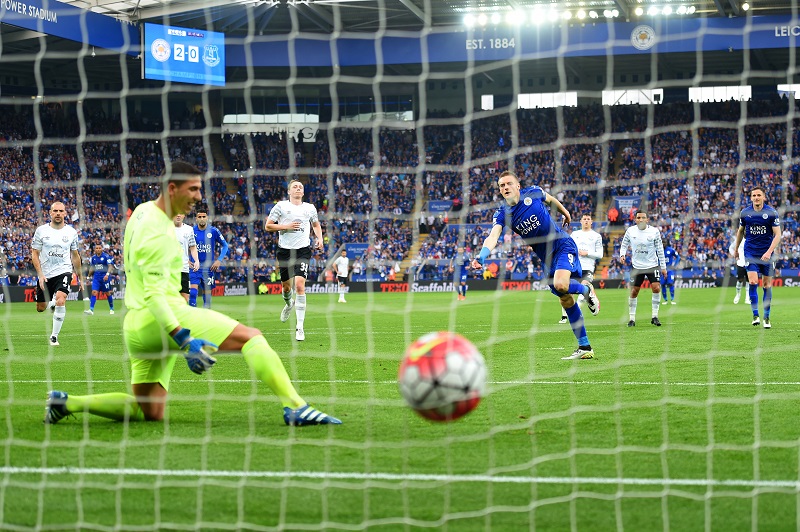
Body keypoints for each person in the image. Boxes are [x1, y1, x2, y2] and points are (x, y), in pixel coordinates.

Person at [44, 161, 341, 427]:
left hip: (136, 327)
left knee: (149, 411)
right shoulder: (159, 232)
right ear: (172, 188)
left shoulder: (141, 213)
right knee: (252, 337)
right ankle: (296, 406)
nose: (199, 196)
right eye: (194, 189)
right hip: (162, 318)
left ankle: (66, 403)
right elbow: (155, 294)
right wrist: (183, 338)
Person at [472, 171, 600, 360]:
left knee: (561, 285)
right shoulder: (502, 213)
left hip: (562, 245)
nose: (505, 187)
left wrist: (565, 213)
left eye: (508, 184)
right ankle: (585, 347)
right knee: (564, 299)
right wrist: (482, 256)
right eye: (501, 185)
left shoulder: (532, 192)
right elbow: (493, 236)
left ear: (518, 186)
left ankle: (585, 289)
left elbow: (551, 200)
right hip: (547, 258)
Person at [265, 179, 324, 341]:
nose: (298, 188)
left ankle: (300, 327)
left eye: (301, 187)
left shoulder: (310, 208)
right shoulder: (281, 207)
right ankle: (288, 303)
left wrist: (319, 238)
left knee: (299, 285)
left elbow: (316, 225)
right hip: (284, 251)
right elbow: (268, 226)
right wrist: (287, 226)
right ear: (289, 192)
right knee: (286, 288)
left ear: (303, 192)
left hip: (303, 251)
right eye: (295, 187)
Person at [31, 202, 82, 346]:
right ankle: (51, 303)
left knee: (61, 299)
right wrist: (40, 275)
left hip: (64, 271)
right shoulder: (41, 231)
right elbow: (35, 253)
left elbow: (75, 255)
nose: (58, 213)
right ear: (50, 213)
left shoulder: (71, 232)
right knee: (40, 308)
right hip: (46, 274)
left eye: (61, 211)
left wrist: (80, 277)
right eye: (55, 211)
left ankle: (54, 336)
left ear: (65, 213)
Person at [733, 186, 781, 328]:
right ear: (751, 198)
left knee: (766, 285)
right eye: (754, 195)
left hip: (767, 254)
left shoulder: (771, 212)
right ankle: (755, 315)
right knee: (753, 282)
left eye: (759, 195)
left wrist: (769, 252)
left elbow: (778, 234)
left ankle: (767, 317)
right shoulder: (745, 213)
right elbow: (740, 232)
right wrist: (736, 249)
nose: (756, 198)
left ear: (764, 197)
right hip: (751, 253)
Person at [619, 210, 667, 327]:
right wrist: (622, 254)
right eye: (638, 217)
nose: (641, 220)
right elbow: (624, 243)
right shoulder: (631, 231)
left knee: (656, 288)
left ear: (647, 219)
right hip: (637, 266)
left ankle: (655, 316)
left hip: (652, 265)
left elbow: (660, 249)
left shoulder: (654, 231)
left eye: (643, 217)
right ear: (635, 219)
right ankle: (631, 319)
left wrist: (663, 267)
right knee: (634, 291)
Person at [560, 214, 603, 323]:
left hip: (588, 267)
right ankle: (565, 316)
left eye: (588, 219)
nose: (586, 221)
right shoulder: (575, 234)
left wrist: (587, 253)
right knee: (566, 289)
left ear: (592, 221)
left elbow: (600, 254)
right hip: (574, 266)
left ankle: (576, 313)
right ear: (581, 221)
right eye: (584, 219)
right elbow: (569, 247)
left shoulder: (596, 236)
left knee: (583, 286)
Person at [190, 205, 228, 308]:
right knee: (193, 294)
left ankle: (205, 320)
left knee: (207, 297)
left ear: (207, 218)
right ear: (196, 219)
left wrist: (219, 260)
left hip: (208, 268)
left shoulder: (214, 231)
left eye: (203, 216)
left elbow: (225, 245)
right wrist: (187, 260)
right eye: (199, 217)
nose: (202, 219)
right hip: (194, 267)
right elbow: (183, 247)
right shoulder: (190, 231)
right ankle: (192, 318)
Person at [84, 243, 116, 315]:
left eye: (99, 248)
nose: (98, 249)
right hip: (96, 278)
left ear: (102, 249)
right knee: (94, 292)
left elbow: (110, 266)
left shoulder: (106, 256)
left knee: (107, 293)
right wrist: (88, 277)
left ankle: (111, 308)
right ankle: (91, 310)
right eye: (97, 248)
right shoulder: (93, 258)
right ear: (95, 249)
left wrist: (107, 275)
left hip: (105, 278)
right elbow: (92, 268)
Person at [173, 214, 199, 303]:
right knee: (170, 300)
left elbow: (192, 247)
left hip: (183, 269)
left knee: (184, 299)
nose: (178, 215)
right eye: (176, 212)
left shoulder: (189, 229)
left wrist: (196, 260)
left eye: (181, 213)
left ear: (184, 215)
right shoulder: (165, 228)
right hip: (168, 270)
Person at [729, 237, 750, 305]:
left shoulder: (751, 239)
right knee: (740, 280)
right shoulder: (739, 240)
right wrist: (735, 255)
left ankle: (747, 298)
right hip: (740, 263)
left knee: (749, 281)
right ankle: (738, 295)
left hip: (749, 263)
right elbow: (731, 248)